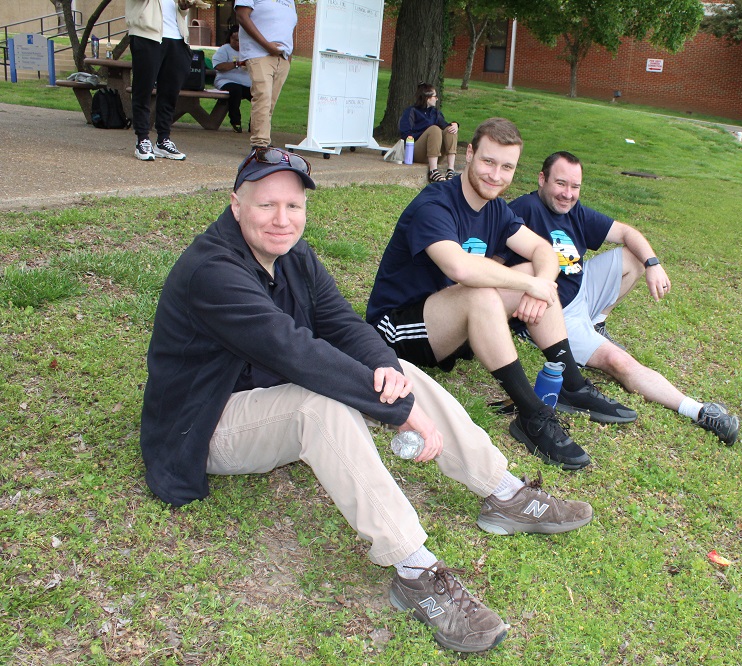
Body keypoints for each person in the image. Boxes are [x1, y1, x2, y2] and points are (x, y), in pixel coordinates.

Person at [140, 147, 594, 654]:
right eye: (266, 205)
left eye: (293, 206)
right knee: (321, 406)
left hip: (268, 393)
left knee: (399, 370)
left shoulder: (295, 256)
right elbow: (296, 353)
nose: (282, 219)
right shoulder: (213, 271)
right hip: (206, 423)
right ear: (235, 205)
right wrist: (399, 414)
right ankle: (415, 570)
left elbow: (341, 323)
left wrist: (387, 372)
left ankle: (504, 491)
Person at [366, 118, 636, 472]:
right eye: (488, 162)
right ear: (470, 153)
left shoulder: (495, 209)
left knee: (533, 274)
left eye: (507, 167)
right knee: (489, 291)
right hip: (399, 330)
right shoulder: (435, 204)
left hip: (453, 324)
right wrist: (529, 285)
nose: (496, 175)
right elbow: (460, 268)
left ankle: (569, 382)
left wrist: (540, 285)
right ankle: (532, 414)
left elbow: (543, 251)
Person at [507, 152, 740, 446]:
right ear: (542, 179)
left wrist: (653, 264)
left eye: (575, 187)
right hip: (556, 311)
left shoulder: (573, 211)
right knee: (619, 361)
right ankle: (699, 411)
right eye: (560, 184)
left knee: (634, 256)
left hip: (581, 289)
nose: (568, 194)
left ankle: (598, 321)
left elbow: (628, 232)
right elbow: (496, 265)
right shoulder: (523, 209)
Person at [126, 0, 192, 162]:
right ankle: (142, 138)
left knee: (170, 92)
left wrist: (183, 7)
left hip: (176, 36)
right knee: (143, 89)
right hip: (147, 34)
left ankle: (163, 139)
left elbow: (173, 8)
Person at [234, 0, 297, 148]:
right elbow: (242, 16)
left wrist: (289, 56)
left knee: (270, 104)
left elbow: (289, 26)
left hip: (282, 56)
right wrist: (267, 46)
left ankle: (264, 141)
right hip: (258, 52)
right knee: (263, 97)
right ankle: (259, 146)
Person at [399, 83, 460, 183]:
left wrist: (455, 125)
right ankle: (433, 171)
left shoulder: (435, 113)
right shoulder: (412, 111)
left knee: (450, 130)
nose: (437, 99)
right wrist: (426, 134)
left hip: (435, 154)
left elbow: (445, 126)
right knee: (434, 129)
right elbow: (405, 134)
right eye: (435, 96)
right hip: (415, 151)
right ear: (427, 98)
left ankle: (450, 170)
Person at [211, 25, 253, 134]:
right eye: (235, 40)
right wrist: (237, 64)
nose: (238, 43)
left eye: (241, 40)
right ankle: (235, 121)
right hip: (226, 81)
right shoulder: (224, 49)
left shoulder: (250, 51)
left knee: (259, 95)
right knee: (235, 90)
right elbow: (218, 66)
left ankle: (254, 125)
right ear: (230, 38)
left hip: (247, 83)